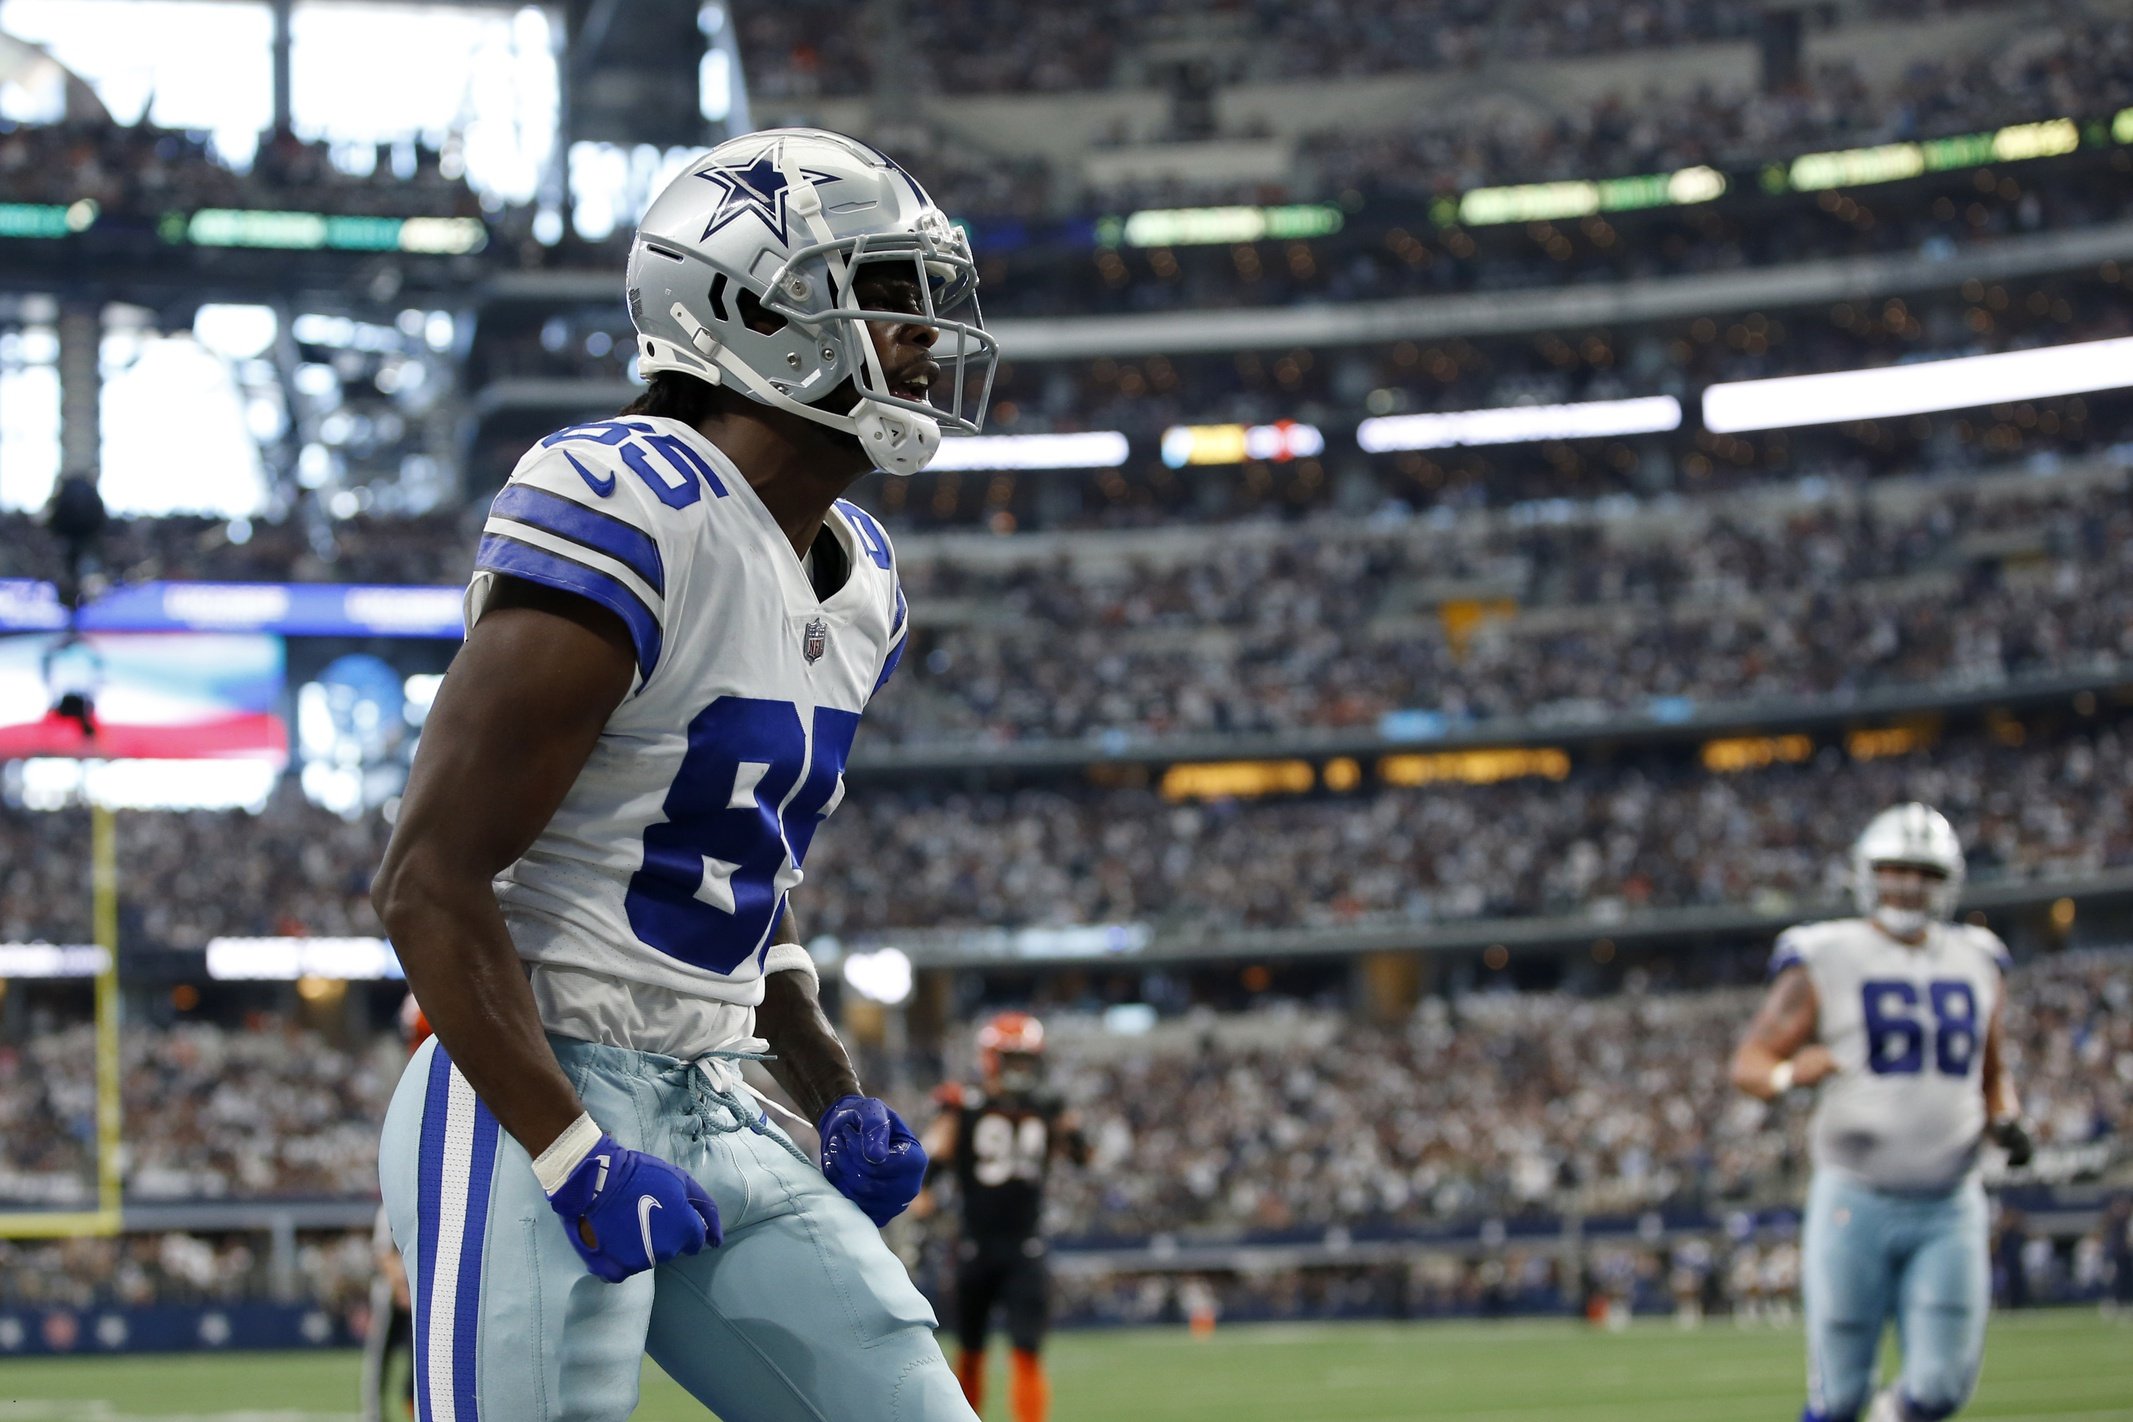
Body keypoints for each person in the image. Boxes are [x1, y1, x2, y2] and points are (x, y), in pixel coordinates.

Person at [370, 127, 998, 1422]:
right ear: (746, 307)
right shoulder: (627, 500)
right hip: (527, 1091)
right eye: (883, 295)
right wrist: (570, 1149)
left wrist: (829, 1087)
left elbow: (736, 873)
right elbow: (426, 881)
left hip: (713, 1088)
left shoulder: (862, 572)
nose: (924, 338)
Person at [1731, 803, 2033, 1422]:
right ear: (1867, 873)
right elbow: (1750, 1064)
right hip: (1855, 1198)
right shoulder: (1826, 952)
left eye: (1921, 872)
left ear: (1945, 881)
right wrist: (1792, 1073)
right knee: (1839, 1396)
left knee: (1942, 1387)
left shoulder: (1978, 958)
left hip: (1950, 1198)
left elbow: (1993, 1074)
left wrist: (2005, 1118)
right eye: (1894, 869)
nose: (1906, 885)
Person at [920, 1012, 1090, 1422]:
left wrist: (1070, 1128)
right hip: (978, 1242)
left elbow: (1082, 1157)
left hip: (1022, 1244)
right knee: (971, 1351)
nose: (1021, 1068)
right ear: (992, 1058)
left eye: (1025, 1059)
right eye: (1013, 1058)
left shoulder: (1039, 1106)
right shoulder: (964, 1104)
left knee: (1026, 1350)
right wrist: (923, 1193)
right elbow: (934, 1158)